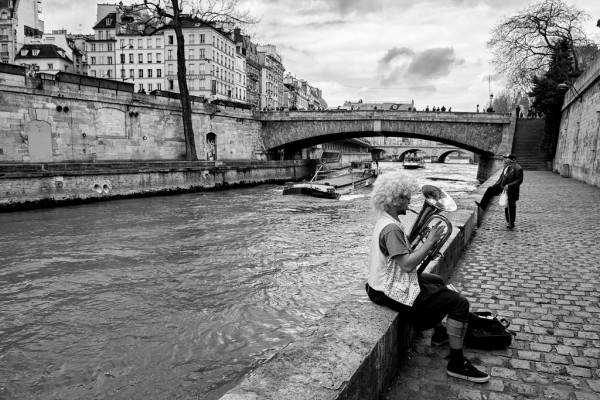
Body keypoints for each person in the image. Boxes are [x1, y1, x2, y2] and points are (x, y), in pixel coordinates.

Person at [365, 170, 490, 383]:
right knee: (459, 303)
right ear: (394, 200)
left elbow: (401, 257)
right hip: (386, 290)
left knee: (438, 282)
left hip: (380, 283)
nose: (409, 200)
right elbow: (406, 265)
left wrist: (421, 247)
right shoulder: (391, 229)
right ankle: (457, 364)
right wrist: (429, 242)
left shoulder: (387, 220)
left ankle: (440, 333)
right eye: (405, 197)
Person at [476, 153, 524, 229]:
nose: (505, 160)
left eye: (507, 158)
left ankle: (511, 223)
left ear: (513, 160)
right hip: (502, 187)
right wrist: (495, 185)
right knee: (490, 189)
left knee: (509, 206)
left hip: (511, 190)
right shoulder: (506, 167)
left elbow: (519, 180)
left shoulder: (518, 168)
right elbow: (501, 178)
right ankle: (482, 205)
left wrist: (509, 185)